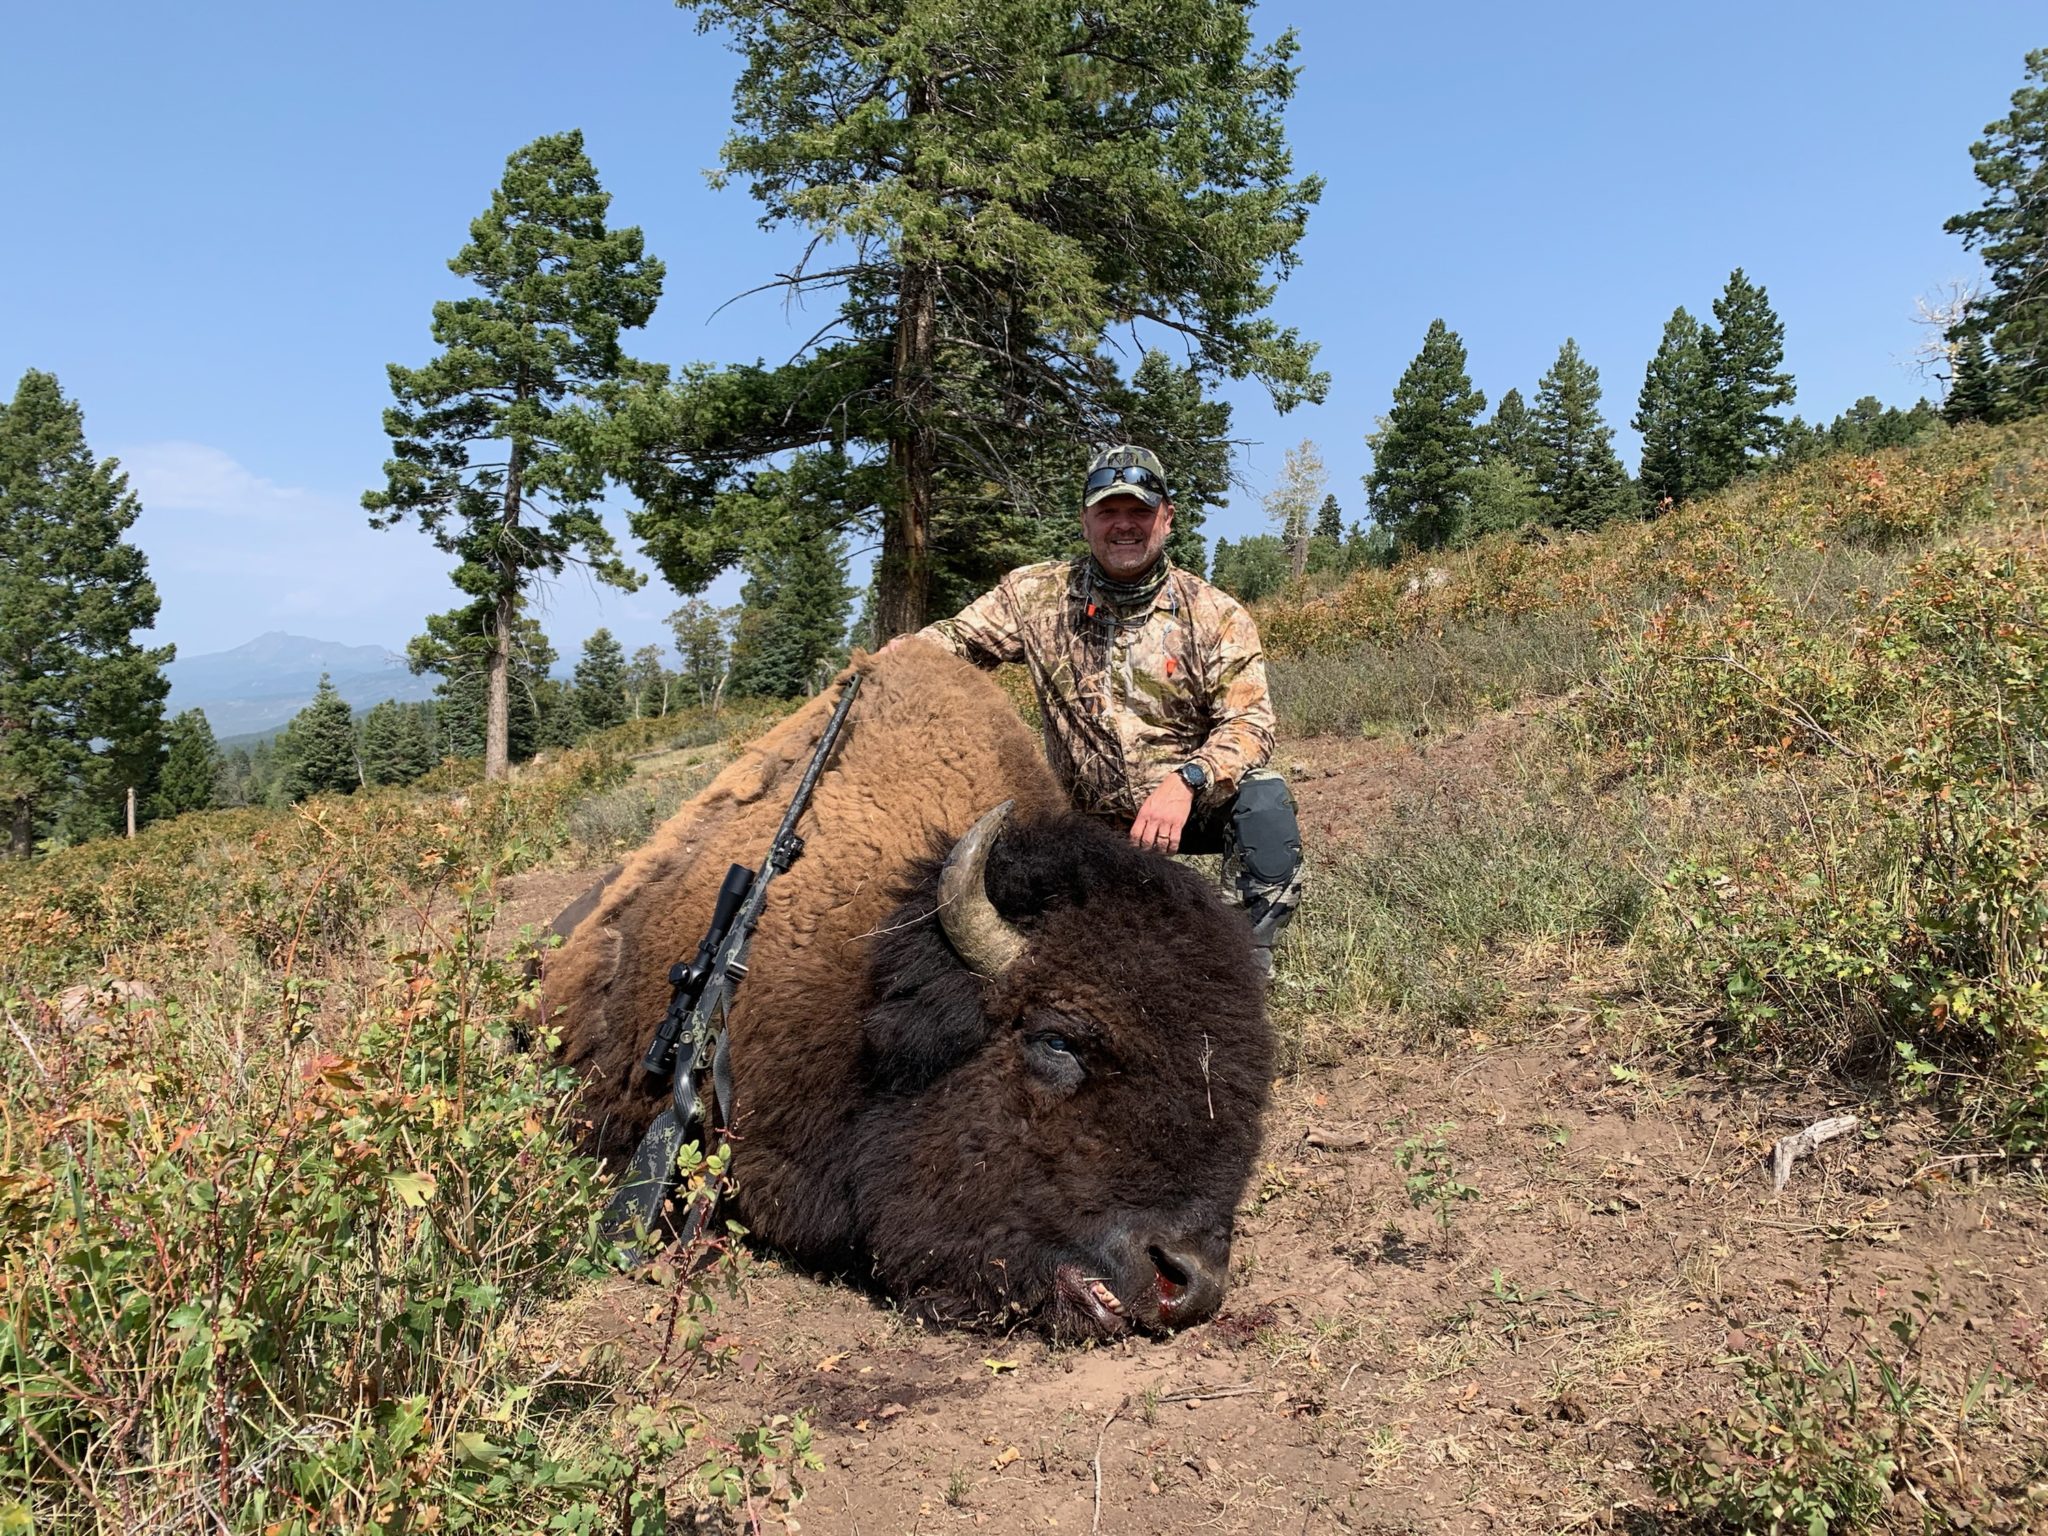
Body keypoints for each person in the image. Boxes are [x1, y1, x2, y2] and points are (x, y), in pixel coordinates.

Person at [901, 444, 1304, 977]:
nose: (1124, 526)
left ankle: (1238, 964)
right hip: (1077, 819)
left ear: (1167, 517)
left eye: (1139, 510)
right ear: (1085, 518)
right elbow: (956, 640)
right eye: (1108, 511)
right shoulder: (1035, 596)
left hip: (1184, 810)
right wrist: (904, 654)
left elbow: (1250, 723)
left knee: (1266, 804)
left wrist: (1186, 782)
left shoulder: (1214, 613)